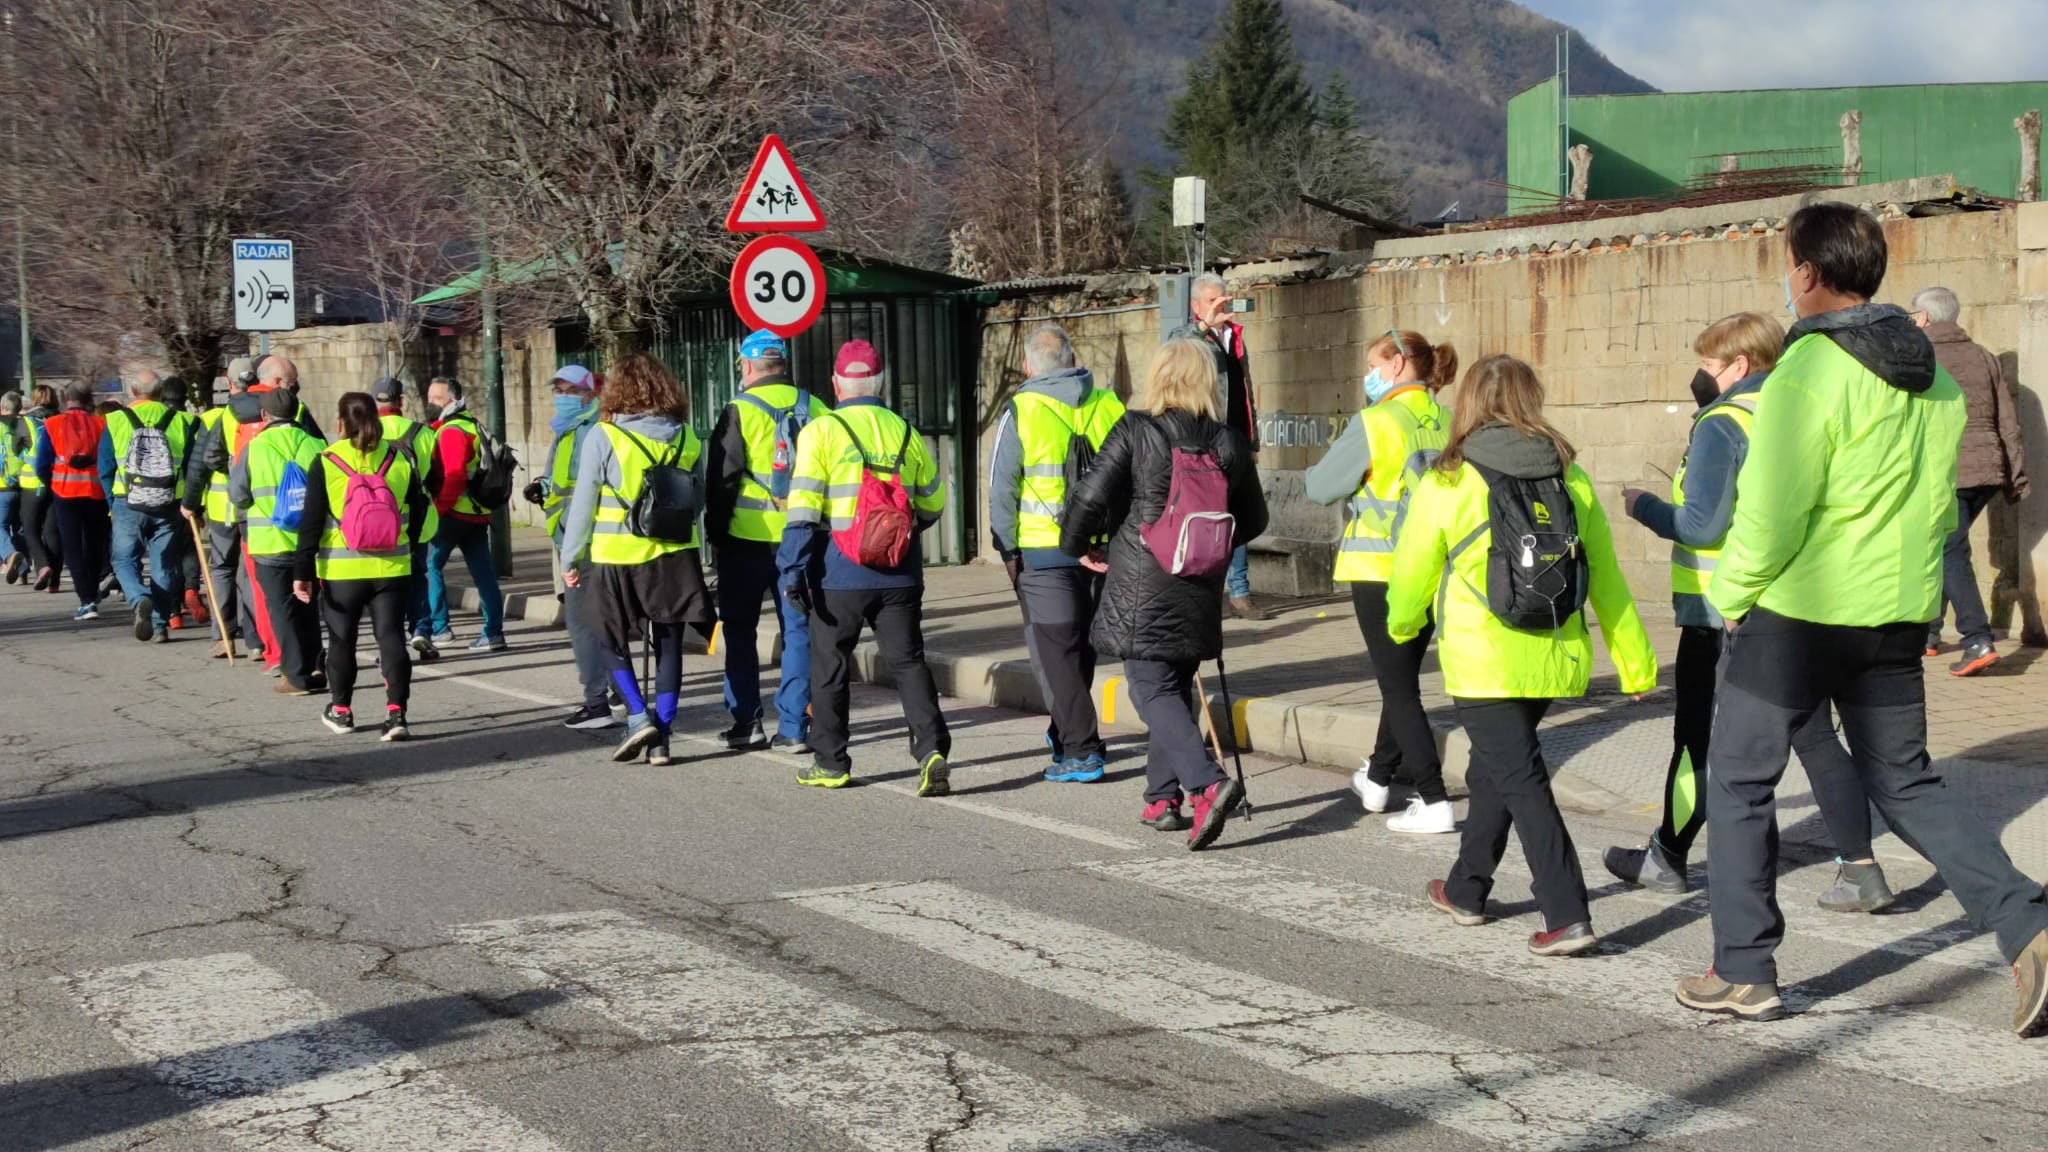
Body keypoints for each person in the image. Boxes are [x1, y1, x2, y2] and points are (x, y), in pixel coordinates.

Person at [1678, 203, 2048, 1036]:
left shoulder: (1807, 373)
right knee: (1907, 782)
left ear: (1806, 273)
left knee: (1738, 782)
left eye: (1787, 263)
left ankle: (1742, 970)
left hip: (1797, 615)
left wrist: (1730, 598)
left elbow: (1770, 514)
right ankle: (2031, 925)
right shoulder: (1937, 377)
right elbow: (1935, 511)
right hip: (1892, 612)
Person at [1606, 313, 1891, 911]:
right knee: (1815, 738)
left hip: (1719, 613)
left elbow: (1702, 525)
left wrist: (1646, 506)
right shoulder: (1796, 410)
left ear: (1737, 365)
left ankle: (1668, 857)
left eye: (1709, 365)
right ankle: (1862, 870)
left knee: (1696, 743)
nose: (1701, 376)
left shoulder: (1721, 424)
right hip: (1790, 606)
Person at [1389, 355, 1656, 958]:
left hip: (1484, 658)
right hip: (1552, 651)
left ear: (1469, 404)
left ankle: (1566, 913)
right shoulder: (1570, 477)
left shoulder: (1449, 478)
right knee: (1495, 771)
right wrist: (1636, 662)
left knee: (1521, 778)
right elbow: (1606, 578)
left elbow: (1411, 573)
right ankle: (1467, 889)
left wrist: (1403, 626)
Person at [1059, 338, 1269, 847]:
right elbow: (1255, 518)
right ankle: (1161, 798)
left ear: (1158, 377)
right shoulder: (1228, 442)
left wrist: (1077, 547)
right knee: (1173, 684)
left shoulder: (1137, 429)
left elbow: (1090, 495)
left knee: (1149, 687)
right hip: (1199, 582)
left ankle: (1208, 783)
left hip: (1142, 579)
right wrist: (1206, 545)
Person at [778, 340, 952, 793]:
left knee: (831, 665)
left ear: (836, 385)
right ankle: (931, 750)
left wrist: (791, 569)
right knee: (909, 662)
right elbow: (933, 503)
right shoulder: (906, 432)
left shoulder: (821, 431)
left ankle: (831, 763)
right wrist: (897, 535)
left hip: (837, 574)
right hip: (899, 571)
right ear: (883, 383)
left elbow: (802, 509)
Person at [1306, 330, 1456, 833]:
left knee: (1397, 687)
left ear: (1395, 366)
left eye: (1372, 364)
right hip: (1435, 569)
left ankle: (1434, 799)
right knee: (1402, 680)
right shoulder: (1448, 421)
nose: (1367, 375)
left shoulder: (1376, 421)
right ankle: (1377, 778)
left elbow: (1321, 486)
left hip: (1379, 570)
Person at [558, 353, 715, 766]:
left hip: (616, 556)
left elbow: (584, 505)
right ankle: (662, 737)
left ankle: (637, 715)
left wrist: (570, 558)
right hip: (674, 556)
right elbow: (696, 501)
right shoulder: (687, 436)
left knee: (605, 634)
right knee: (668, 645)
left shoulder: (603, 436)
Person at [986, 323, 1123, 782]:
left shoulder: (1021, 409)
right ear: (1072, 359)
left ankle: (1082, 750)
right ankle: (1065, 731)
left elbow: (1001, 488)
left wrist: (1008, 549)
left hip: (1044, 552)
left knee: (1057, 653)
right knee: (1080, 649)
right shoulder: (1109, 405)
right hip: (1103, 549)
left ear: (1028, 367)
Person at [707, 332, 825, 752]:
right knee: (798, 631)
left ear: (748, 365)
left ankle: (747, 723)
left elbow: (721, 481)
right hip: (801, 537)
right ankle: (793, 726)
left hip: (744, 541)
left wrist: (715, 537)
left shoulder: (738, 410)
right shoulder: (815, 407)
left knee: (740, 631)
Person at [293, 392, 430, 741]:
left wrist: (303, 572)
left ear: (340, 423)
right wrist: (408, 545)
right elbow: (419, 507)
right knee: (391, 637)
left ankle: (341, 711)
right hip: (391, 567)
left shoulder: (326, 461)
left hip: (341, 570)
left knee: (342, 641)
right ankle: (396, 714)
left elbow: (310, 522)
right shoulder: (399, 458)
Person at [1911, 286, 2029, 677]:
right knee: (1945, 543)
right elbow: (2007, 420)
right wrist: (2015, 475)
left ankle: (1977, 638)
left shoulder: (1921, 357)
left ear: (1924, 318)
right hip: (1988, 470)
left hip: (1950, 471)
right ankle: (1929, 634)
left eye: (1915, 315)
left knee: (1949, 549)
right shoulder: (1983, 356)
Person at [1171, 272, 1265, 620]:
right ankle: (1208, 590)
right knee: (1211, 515)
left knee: (1239, 512)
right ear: (1196, 306)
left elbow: (1245, 388)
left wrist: (1253, 438)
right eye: (1211, 301)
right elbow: (1174, 345)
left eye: (1222, 299)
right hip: (1207, 439)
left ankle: (1240, 593)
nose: (1219, 307)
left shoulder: (1235, 337)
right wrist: (1203, 328)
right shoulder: (1190, 337)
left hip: (1237, 437)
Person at [525, 365, 608, 725]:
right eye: (558, 389)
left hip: (584, 540)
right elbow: (560, 482)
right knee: (599, 620)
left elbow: (586, 492)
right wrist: (541, 487)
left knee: (582, 621)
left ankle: (597, 703)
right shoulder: (566, 430)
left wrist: (571, 551)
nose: (563, 397)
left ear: (590, 392)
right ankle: (617, 694)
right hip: (568, 536)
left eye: (571, 390)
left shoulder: (595, 430)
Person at [231, 385, 326, 695]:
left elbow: (239, 494)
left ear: (264, 415)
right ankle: (316, 666)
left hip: (269, 543)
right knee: (308, 605)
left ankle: (295, 676)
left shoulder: (255, 448)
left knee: (281, 609)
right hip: (310, 544)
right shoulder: (316, 444)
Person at [101, 370, 196, 643]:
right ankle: (159, 624)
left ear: (132, 392)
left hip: (128, 501)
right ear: (159, 392)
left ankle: (138, 597)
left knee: (123, 559)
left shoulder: (115, 421)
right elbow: (192, 467)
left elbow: (105, 468)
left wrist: (112, 503)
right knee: (164, 564)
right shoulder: (183, 421)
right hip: (169, 502)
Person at [420, 376, 507, 651]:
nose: (431, 402)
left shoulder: (452, 431)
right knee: (483, 573)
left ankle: (440, 628)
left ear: (453, 400)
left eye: (437, 398)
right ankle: (493, 632)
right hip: (477, 513)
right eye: (430, 397)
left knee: (429, 566)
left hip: (454, 512)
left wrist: (438, 509)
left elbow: (455, 476)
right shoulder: (471, 424)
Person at [186, 358, 259, 659]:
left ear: (229, 384)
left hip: (221, 506)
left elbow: (200, 464)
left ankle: (223, 636)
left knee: (222, 570)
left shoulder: (215, 417)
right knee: (251, 572)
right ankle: (257, 639)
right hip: (257, 505)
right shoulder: (271, 410)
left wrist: (189, 502)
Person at [369, 376, 445, 664]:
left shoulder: (367, 433)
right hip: (418, 518)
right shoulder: (422, 433)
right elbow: (437, 477)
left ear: (375, 403)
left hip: (378, 522)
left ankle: (392, 639)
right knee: (417, 575)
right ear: (401, 402)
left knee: (387, 583)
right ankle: (421, 628)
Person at [33, 384, 110, 621]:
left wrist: (52, 484)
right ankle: (94, 587)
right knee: (96, 544)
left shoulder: (52, 424)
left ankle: (86, 601)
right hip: (95, 492)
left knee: (73, 547)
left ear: (67, 399)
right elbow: (108, 460)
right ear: (89, 400)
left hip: (64, 493)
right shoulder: (101, 425)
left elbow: (42, 464)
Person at [17, 384, 61, 593]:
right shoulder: (62, 419)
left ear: (34, 398)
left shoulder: (25, 421)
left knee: (31, 530)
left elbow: (16, 448)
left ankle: (43, 566)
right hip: (59, 481)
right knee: (53, 532)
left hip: (32, 483)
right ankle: (55, 581)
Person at [0, 392, 27, 585]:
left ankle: (9, 555)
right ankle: (23, 572)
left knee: (0, 526)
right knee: (19, 528)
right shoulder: (26, 424)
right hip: (25, 483)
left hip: (2, 485)